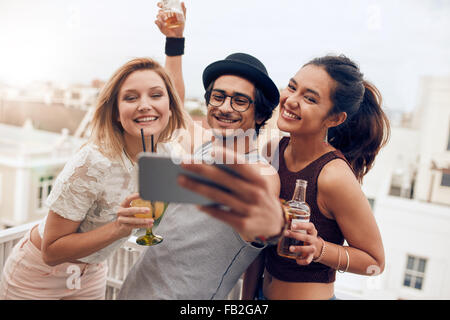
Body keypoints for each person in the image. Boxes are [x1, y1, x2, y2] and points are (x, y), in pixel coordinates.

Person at [180, 55, 389, 300]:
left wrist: (320, 248)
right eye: (292, 87)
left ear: (335, 118)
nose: (291, 100)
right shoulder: (272, 150)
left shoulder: (333, 176)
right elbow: (258, 248)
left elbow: (375, 261)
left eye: (309, 98)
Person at [117, 3, 283, 300]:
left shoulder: (262, 172)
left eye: (240, 101)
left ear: (260, 115)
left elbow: (263, 224)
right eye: (218, 97)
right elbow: (174, 103)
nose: (224, 107)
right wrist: (175, 41)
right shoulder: (203, 146)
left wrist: (273, 227)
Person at [0, 57, 186, 300]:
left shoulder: (163, 155)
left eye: (156, 95)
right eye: (131, 97)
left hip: (92, 273)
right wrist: (120, 228)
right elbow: (51, 251)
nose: (145, 105)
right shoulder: (93, 162)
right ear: (117, 114)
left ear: (170, 107)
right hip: (38, 276)